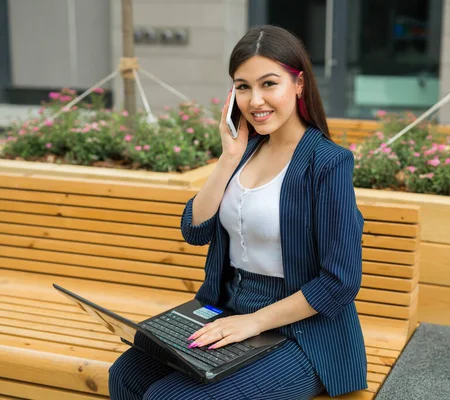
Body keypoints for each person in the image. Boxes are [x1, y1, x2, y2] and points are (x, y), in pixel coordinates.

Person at [108, 24, 367, 399]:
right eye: (243, 86)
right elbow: (194, 231)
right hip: (226, 311)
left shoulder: (327, 163)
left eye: (268, 84)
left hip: (303, 333)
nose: (255, 100)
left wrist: (254, 321)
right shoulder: (244, 150)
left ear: (298, 84)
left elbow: (340, 282)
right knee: (125, 375)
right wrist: (227, 158)